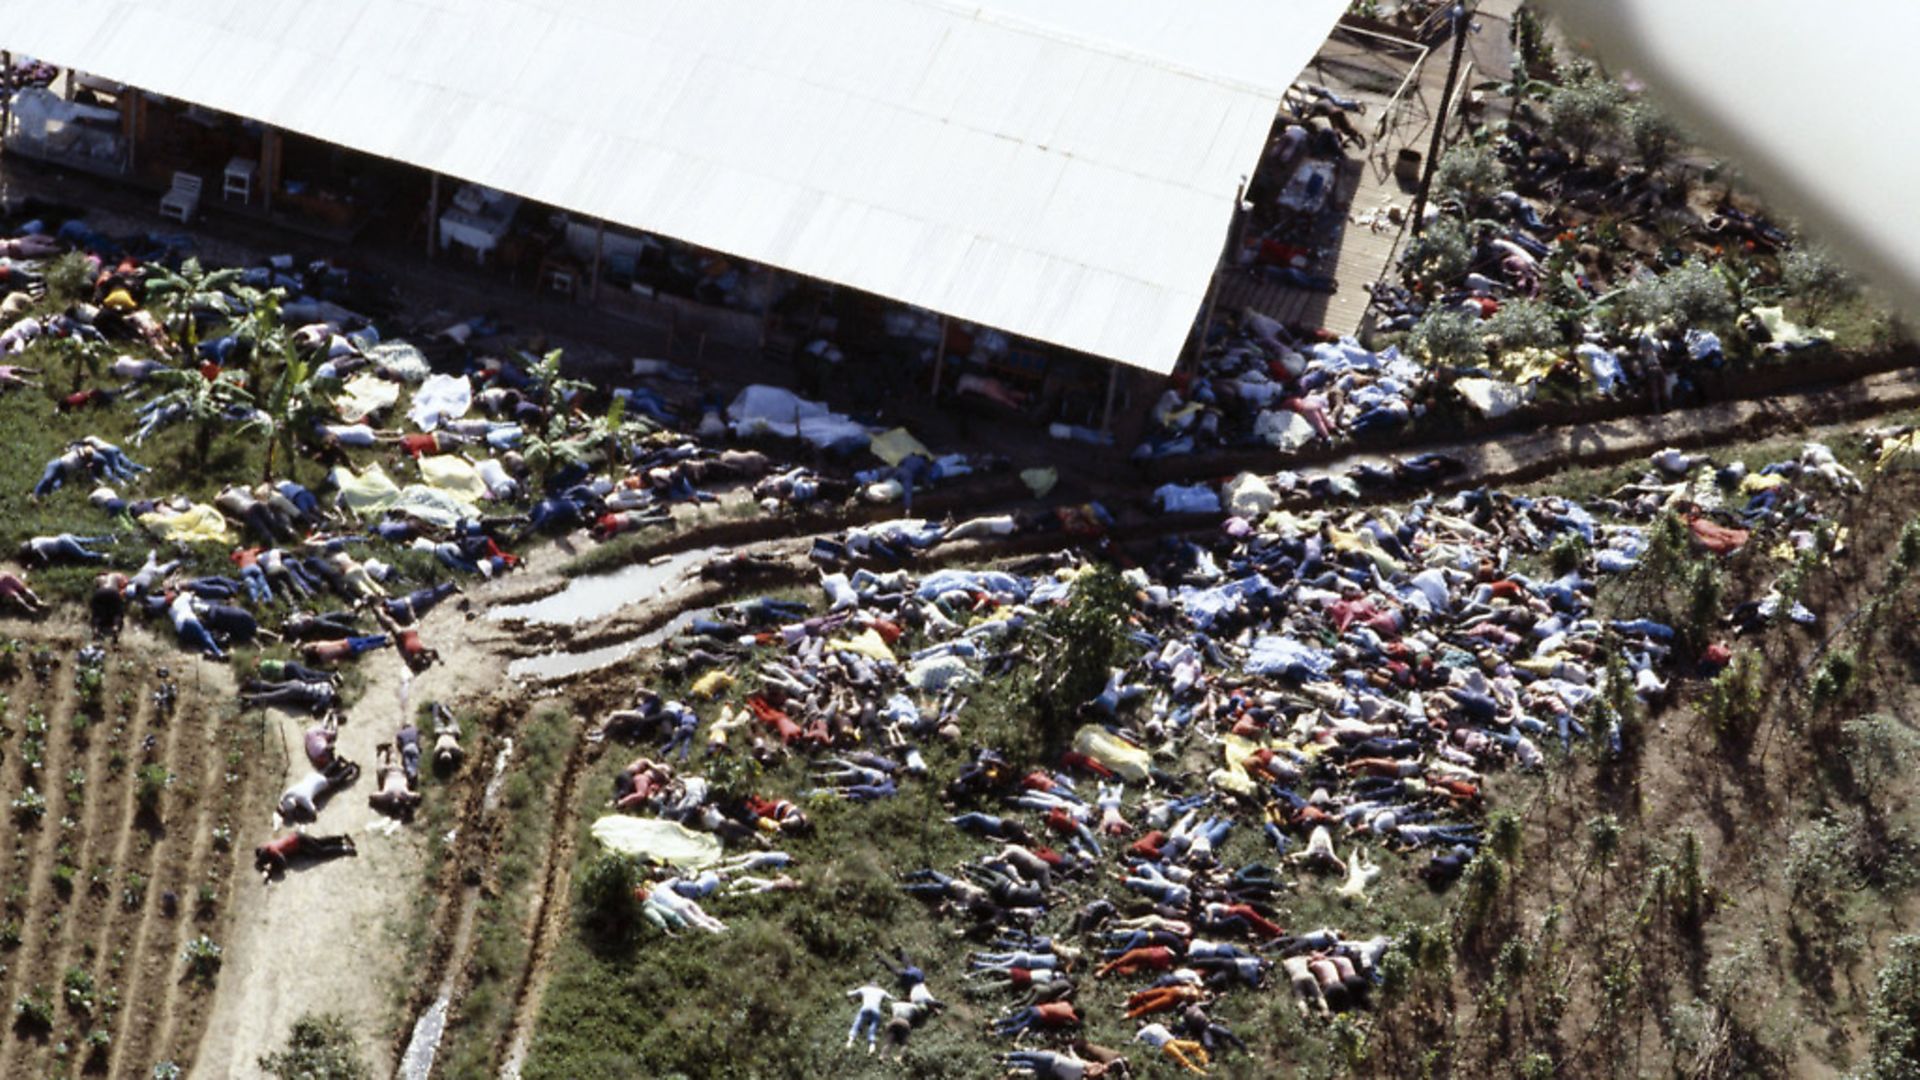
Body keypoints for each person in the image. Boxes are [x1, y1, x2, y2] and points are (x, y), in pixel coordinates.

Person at [254, 830, 356, 881]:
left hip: (299, 842)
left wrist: (272, 872)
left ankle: (344, 849)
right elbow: (258, 865)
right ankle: (341, 838)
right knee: (319, 842)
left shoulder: (271, 850)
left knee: (320, 853)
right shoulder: (269, 847)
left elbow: (283, 862)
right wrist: (265, 871)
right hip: (297, 837)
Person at [368, 743, 421, 818]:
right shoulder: (400, 795)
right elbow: (372, 796)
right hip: (395, 772)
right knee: (387, 765)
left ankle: (385, 751)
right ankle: (385, 751)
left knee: (389, 764)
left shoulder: (394, 795)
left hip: (397, 772)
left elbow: (417, 796)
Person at [844, 982, 893, 1053]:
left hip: (865, 1008)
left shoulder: (864, 989)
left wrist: (847, 993)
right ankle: (872, 1044)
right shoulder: (881, 991)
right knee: (874, 1024)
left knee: (858, 1022)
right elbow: (891, 997)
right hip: (875, 1009)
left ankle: (850, 1040)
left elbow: (851, 993)